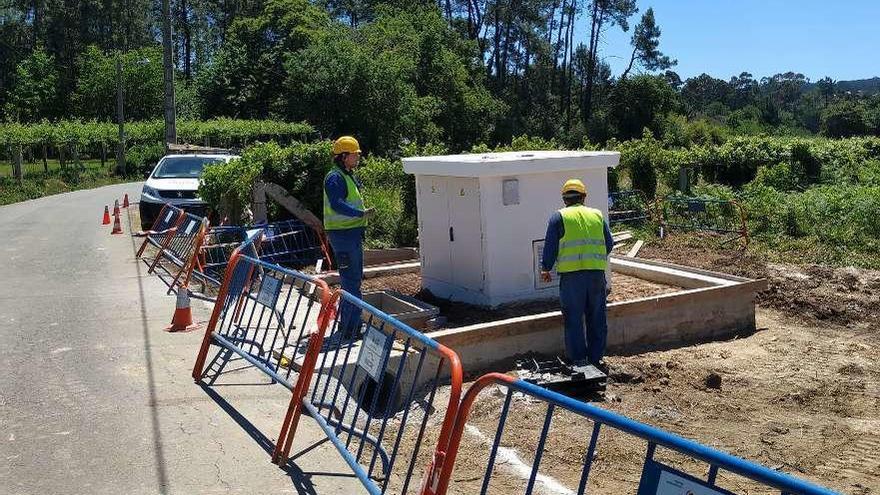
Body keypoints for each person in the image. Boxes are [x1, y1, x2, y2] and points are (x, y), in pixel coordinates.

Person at [540, 179, 614, 369]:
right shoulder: (597, 215)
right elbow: (609, 243)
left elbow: (550, 247)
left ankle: (578, 360)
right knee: (597, 317)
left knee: (573, 318)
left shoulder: (559, 217)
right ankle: (596, 358)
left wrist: (546, 268)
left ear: (564, 198)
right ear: (584, 197)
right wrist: (596, 260)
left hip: (572, 278)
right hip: (596, 276)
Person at [324, 136, 373, 338]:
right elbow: (336, 204)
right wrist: (360, 214)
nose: (358, 157)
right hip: (343, 235)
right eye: (355, 154)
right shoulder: (335, 177)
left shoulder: (346, 175)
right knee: (350, 281)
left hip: (350, 234)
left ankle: (351, 325)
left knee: (353, 280)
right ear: (344, 156)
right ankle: (349, 328)